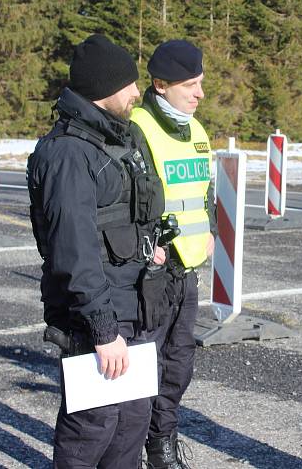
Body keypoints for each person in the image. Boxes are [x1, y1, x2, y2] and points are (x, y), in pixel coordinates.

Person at [27, 34, 168, 468]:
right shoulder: (68, 152)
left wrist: (150, 248)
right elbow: (74, 249)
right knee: (93, 425)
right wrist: (103, 330)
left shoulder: (116, 139)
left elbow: (123, 217)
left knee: (131, 422)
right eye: (128, 84)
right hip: (97, 316)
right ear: (105, 89)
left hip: (133, 303)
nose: (134, 93)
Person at [128, 39, 217, 469]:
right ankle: (130, 451)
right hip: (151, 274)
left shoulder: (197, 130)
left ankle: (161, 449)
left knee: (178, 367)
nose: (200, 93)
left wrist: (211, 232)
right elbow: (124, 201)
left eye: (201, 83)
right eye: (192, 85)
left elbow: (204, 194)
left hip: (187, 273)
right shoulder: (137, 127)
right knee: (143, 370)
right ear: (161, 85)